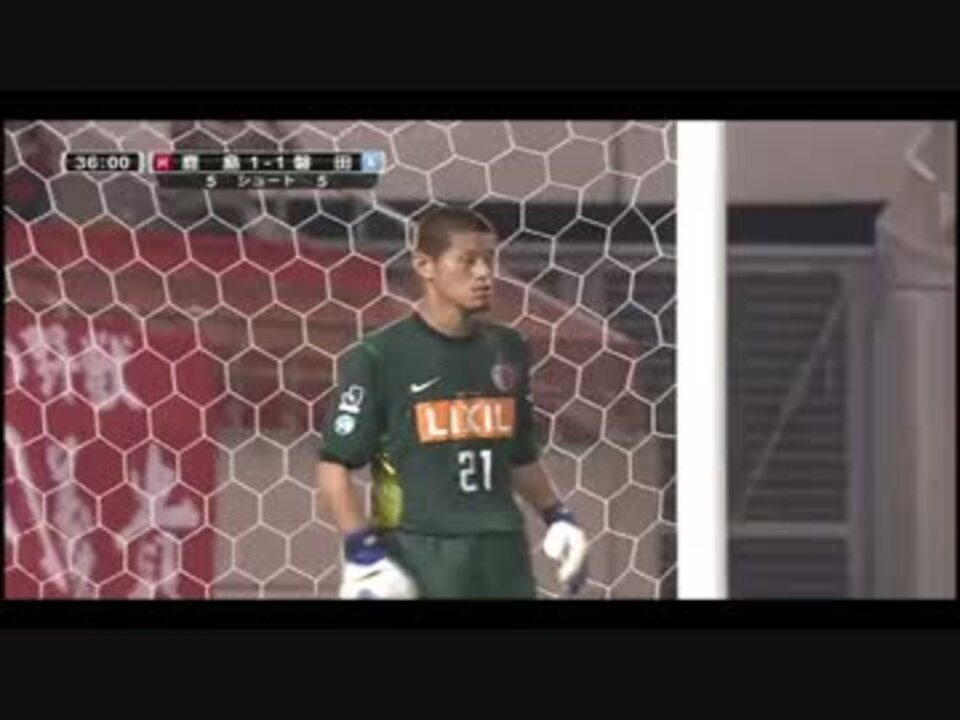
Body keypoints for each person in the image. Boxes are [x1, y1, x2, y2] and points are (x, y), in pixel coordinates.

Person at [316, 205, 588, 599]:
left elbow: (518, 455)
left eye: (490, 260)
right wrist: (362, 552)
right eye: (468, 261)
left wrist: (557, 515)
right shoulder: (379, 356)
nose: (484, 273)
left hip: (502, 551)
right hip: (418, 548)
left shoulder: (508, 348)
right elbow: (334, 466)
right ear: (425, 265)